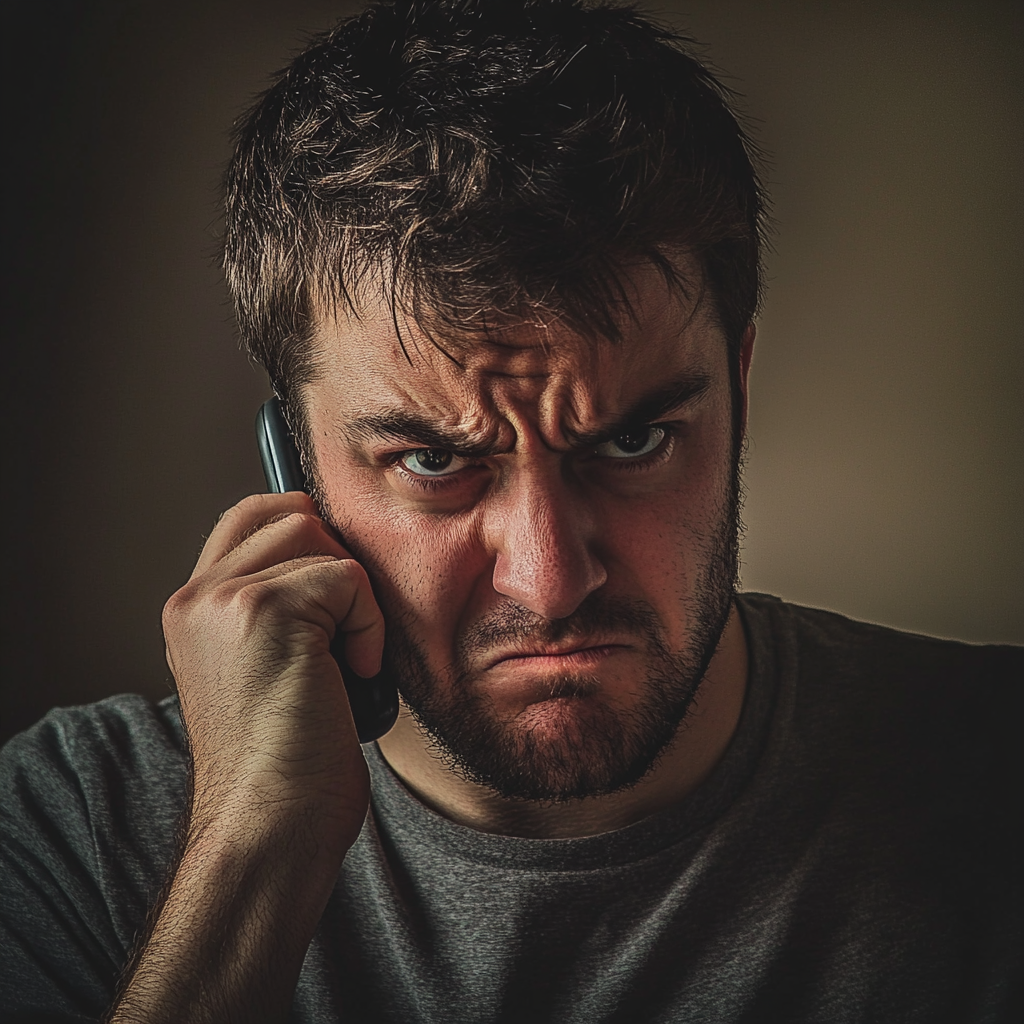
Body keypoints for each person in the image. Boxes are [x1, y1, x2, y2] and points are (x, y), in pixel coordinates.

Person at [1, 1, 1019, 1021]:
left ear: (737, 389)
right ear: (295, 467)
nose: (549, 579)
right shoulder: (72, 826)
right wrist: (252, 852)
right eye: (434, 459)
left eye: (630, 440)